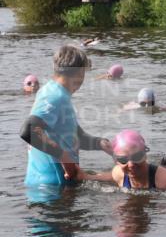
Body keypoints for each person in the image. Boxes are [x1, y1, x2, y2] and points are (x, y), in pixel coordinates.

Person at [19, 45, 113, 186]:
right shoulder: (54, 96)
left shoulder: (57, 92)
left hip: (56, 182)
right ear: (80, 73)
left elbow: (74, 137)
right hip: (51, 187)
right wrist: (64, 156)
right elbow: (28, 130)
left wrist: (100, 143)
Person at [77, 129, 166, 191]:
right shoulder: (119, 173)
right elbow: (105, 177)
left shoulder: (164, 179)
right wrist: (83, 176)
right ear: (116, 161)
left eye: (136, 157)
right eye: (123, 160)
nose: (131, 165)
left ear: (145, 154)